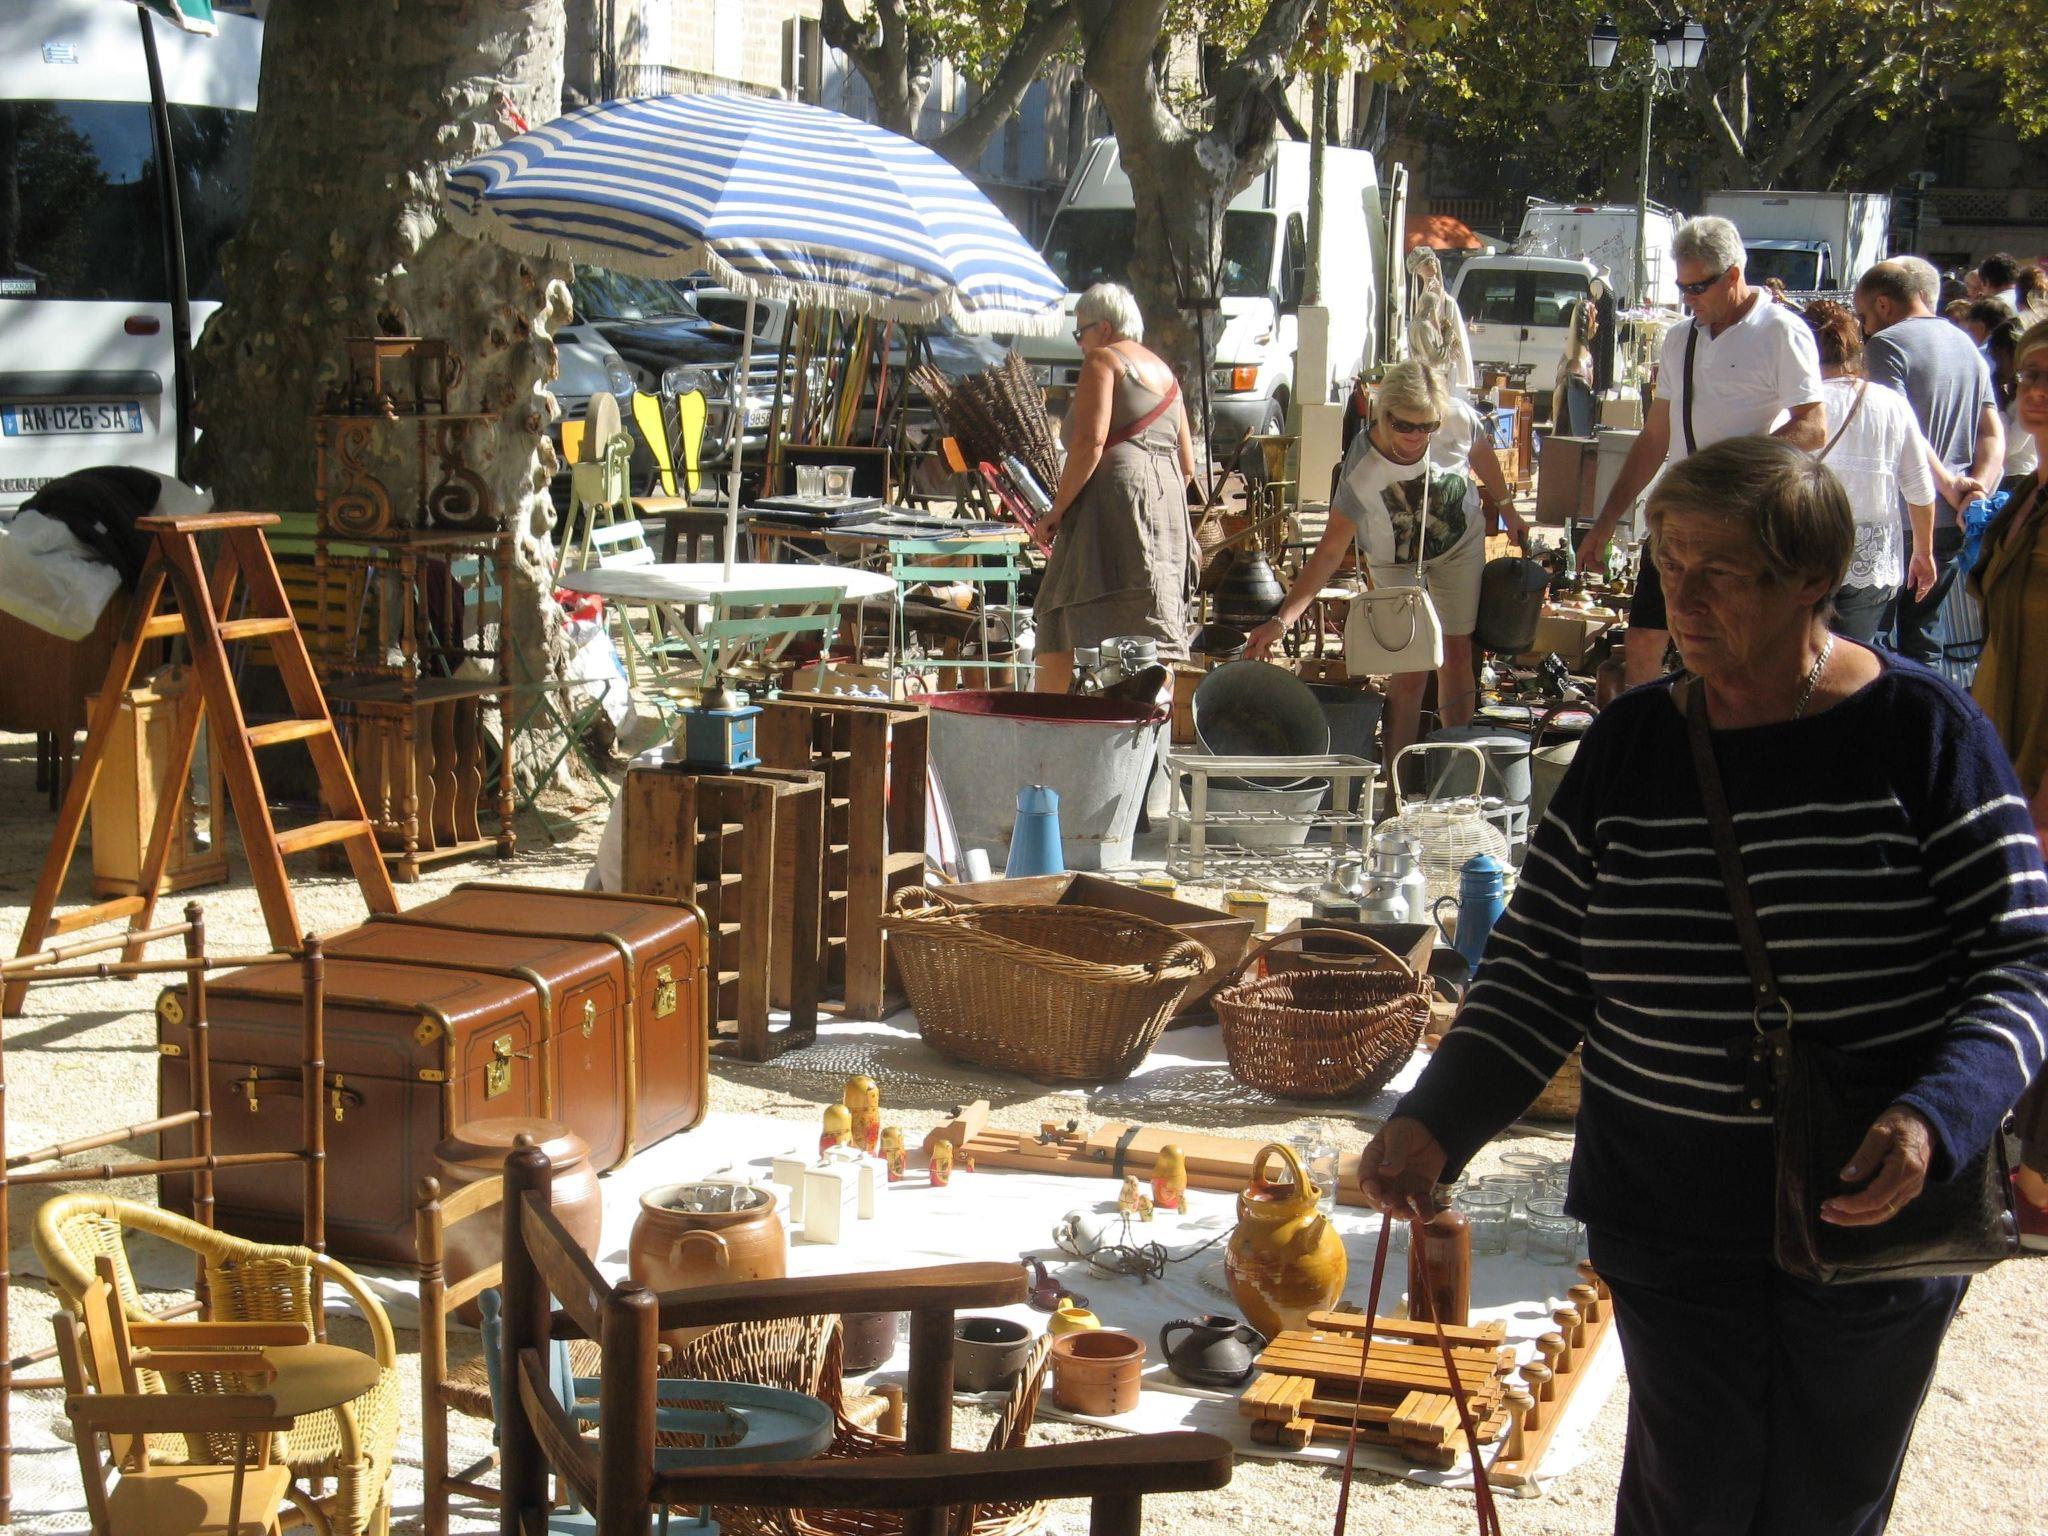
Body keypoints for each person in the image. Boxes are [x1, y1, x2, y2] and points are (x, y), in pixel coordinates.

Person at [1361, 435, 2048, 1536]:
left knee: (1825, 1502)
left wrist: (1938, 1115)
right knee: (1686, 1496)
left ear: (1813, 578)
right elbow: (1538, 967)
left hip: (1868, 1208)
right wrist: (1436, 1119)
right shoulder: (1631, 746)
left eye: (1719, 571)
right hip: (1668, 1206)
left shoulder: (1921, 732)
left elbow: (2021, 960)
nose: (1680, 599)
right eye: (1668, 564)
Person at [1576, 216, 1826, 686]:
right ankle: (1649, 727)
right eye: (1682, 288)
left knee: (1728, 644)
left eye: (1697, 287)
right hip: (1680, 516)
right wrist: (1605, 520)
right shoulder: (1680, 338)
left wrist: (1731, 473)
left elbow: (1813, 426)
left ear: (1733, 275)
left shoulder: (1780, 330)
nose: (1688, 298)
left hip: (1743, 519)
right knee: (1644, 640)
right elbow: (1654, 438)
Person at [1245, 359, 1516, 760]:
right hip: (1394, 560)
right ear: (1384, 414)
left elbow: (1480, 451)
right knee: (1409, 666)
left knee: (1457, 654)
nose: (1416, 436)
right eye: (1404, 425)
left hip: (1457, 547)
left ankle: (1457, 771)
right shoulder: (1364, 461)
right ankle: (1397, 780)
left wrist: (1509, 509)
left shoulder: (1456, 419)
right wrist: (1281, 620)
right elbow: (1330, 550)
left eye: (1427, 426)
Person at [1968, 318, 2048, 1248]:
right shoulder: (2026, 494)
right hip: (2006, 749)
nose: (2035, 392)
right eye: (2027, 374)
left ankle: (2041, 1184)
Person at [1031, 282, 1199, 691]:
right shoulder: (1167, 375)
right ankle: (1151, 724)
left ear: (1104, 328)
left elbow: (1090, 443)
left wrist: (1057, 510)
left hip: (1114, 507)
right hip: (1166, 511)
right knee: (1151, 630)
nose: (1079, 343)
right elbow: (1188, 466)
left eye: (1080, 332)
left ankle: (1046, 715)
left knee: (1062, 615)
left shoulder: (1104, 360)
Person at [1855, 261, 2004, 662]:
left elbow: (1902, 427)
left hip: (1900, 517)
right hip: (1952, 520)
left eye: (1864, 316)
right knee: (1924, 637)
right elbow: (1992, 432)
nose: (1865, 327)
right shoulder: (1966, 345)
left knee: (1874, 643)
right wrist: (1974, 491)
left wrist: (1949, 487)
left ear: (1883, 304)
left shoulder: (1885, 345)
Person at [1800, 300, 1937, 641]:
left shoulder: (1798, 405)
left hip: (1806, 544)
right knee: (1857, 658)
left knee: (1800, 656)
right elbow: (1919, 486)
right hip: (1872, 553)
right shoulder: (1891, 404)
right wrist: (1923, 552)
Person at [1405, 248, 1475, 388]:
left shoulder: (1436, 289)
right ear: (1418, 270)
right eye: (1427, 263)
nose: (1432, 264)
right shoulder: (1429, 292)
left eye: (1433, 261)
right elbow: (1434, 321)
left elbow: (1442, 320)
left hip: (1442, 342)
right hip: (1434, 344)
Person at [1552, 293, 1599, 437]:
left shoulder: (1568, 357)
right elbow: (1580, 426)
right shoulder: (1579, 364)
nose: (1597, 324)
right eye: (1595, 319)